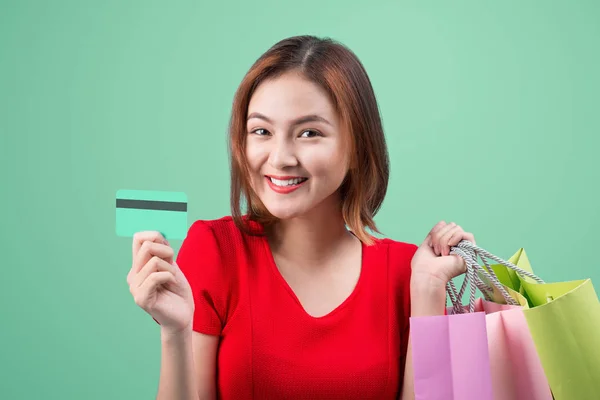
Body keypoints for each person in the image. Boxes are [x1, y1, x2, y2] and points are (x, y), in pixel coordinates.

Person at [126, 35, 476, 400]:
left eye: (309, 133)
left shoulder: (408, 271)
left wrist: (427, 291)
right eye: (261, 131)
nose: (279, 158)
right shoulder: (214, 250)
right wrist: (175, 331)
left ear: (357, 146)